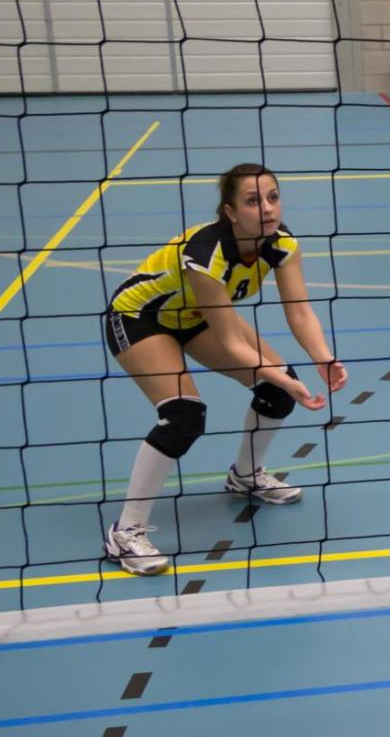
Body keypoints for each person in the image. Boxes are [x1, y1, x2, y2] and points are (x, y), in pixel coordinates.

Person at [100, 163, 346, 575]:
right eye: (252, 201)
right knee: (184, 415)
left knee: (278, 392)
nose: (267, 208)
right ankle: (125, 532)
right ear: (230, 212)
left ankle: (245, 476)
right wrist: (284, 377)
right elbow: (232, 342)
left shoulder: (282, 245)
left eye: (272, 197)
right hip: (141, 318)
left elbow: (300, 312)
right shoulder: (205, 254)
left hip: (195, 317)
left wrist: (323, 358)